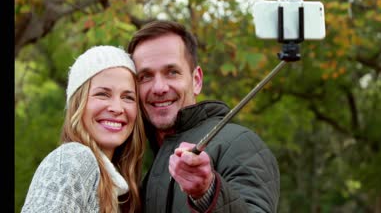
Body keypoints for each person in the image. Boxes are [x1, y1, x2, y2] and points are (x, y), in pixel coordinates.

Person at [127, 20, 280, 213]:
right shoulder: (138, 159)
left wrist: (207, 192)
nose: (159, 88)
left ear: (196, 80)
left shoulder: (240, 144)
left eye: (172, 72)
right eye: (145, 76)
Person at [21, 45, 146, 213]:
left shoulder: (118, 186)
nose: (117, 108)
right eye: (102, 94)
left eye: (128, 97)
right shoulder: (74, 159)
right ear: (78, 103)